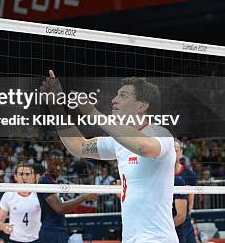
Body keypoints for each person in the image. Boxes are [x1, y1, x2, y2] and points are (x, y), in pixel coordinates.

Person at [42, 71, 178, 242]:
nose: (114, 100)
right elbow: (78, 146)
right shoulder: (118, 142)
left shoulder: (160, 133)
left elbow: (144, 147)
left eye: (123, 95)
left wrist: (92, 113)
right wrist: (55, 107)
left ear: (141, 106)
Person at [36, 150, 97, 243]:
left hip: (59, 231)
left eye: (60, 164)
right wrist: (84, 197)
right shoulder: (44, 180)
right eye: (55, 164)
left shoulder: (55, 181)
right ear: (47, 161)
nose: (58, 167)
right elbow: (59, 208)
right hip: (50, 232)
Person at [0, 163, 42, 243]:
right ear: (15, 177)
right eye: (21, 174)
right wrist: (4, 227)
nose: (24, 177)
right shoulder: (8, 195)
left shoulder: (40, 194)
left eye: (27, 174)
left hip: (37, 239)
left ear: (33, 176)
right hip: (15, 240)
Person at [173, 140, 195, 243]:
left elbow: (190, 201)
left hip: (184, 223)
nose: (173, 153)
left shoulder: (189, 174)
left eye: (176, 150)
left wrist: (187, 216)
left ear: (181, 152)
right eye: (171, 150)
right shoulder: (157, 174)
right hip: (166, 221)